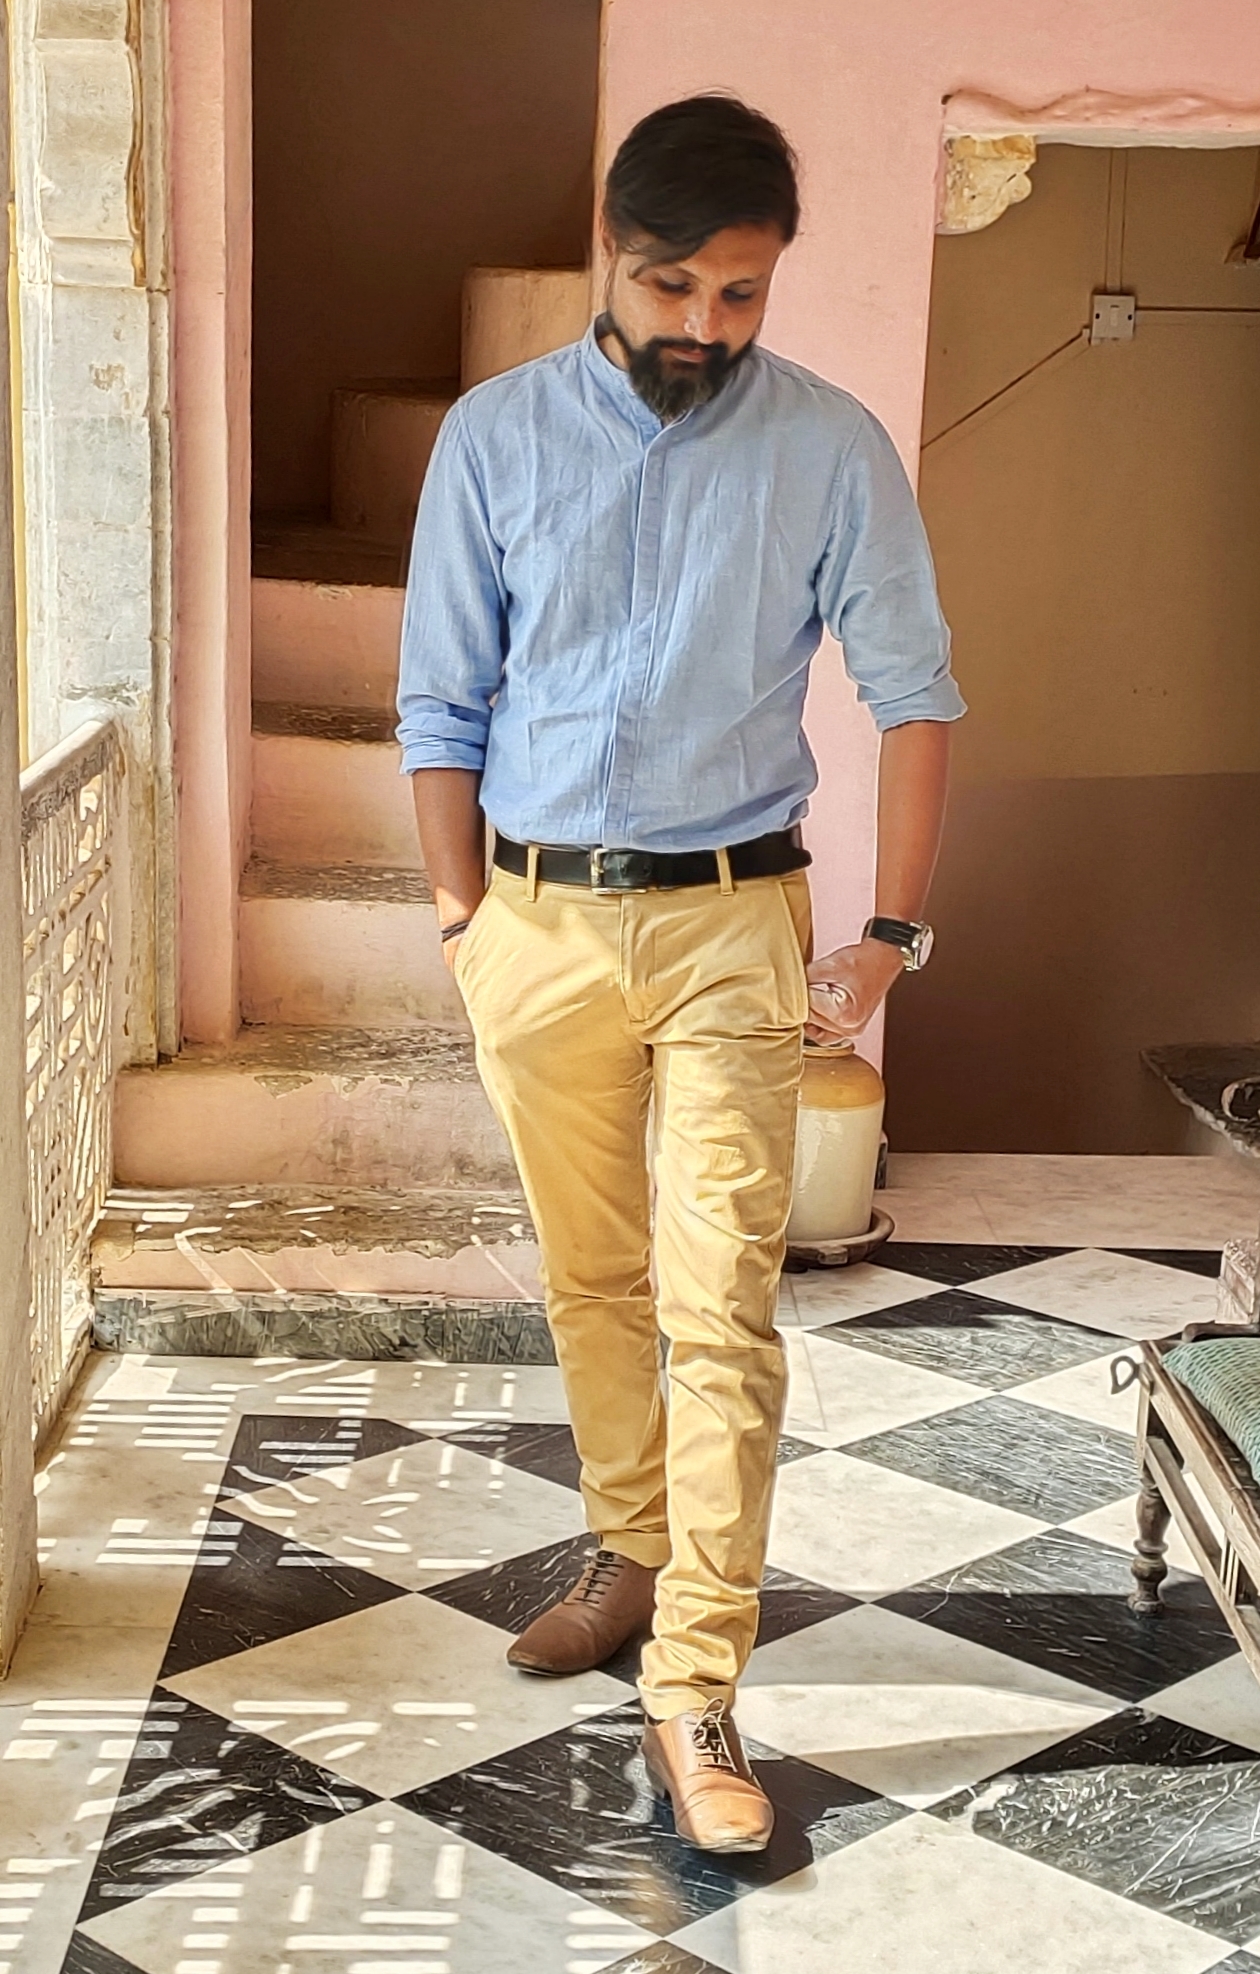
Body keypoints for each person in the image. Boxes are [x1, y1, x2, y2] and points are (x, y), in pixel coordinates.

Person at [397, 95, 963, 1856]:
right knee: (593, 1282)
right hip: (537, 929)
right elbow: (442, 700)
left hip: (735, 925)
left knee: (723, 1310)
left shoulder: (832, 448)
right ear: (610, 250)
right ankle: (630, 1555)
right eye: (671, 287)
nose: (704, 326)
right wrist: (461, 917)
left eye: (741, 294)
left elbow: (916, 696)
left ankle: (697, 1685)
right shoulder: (493, 439)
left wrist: (890, 937)